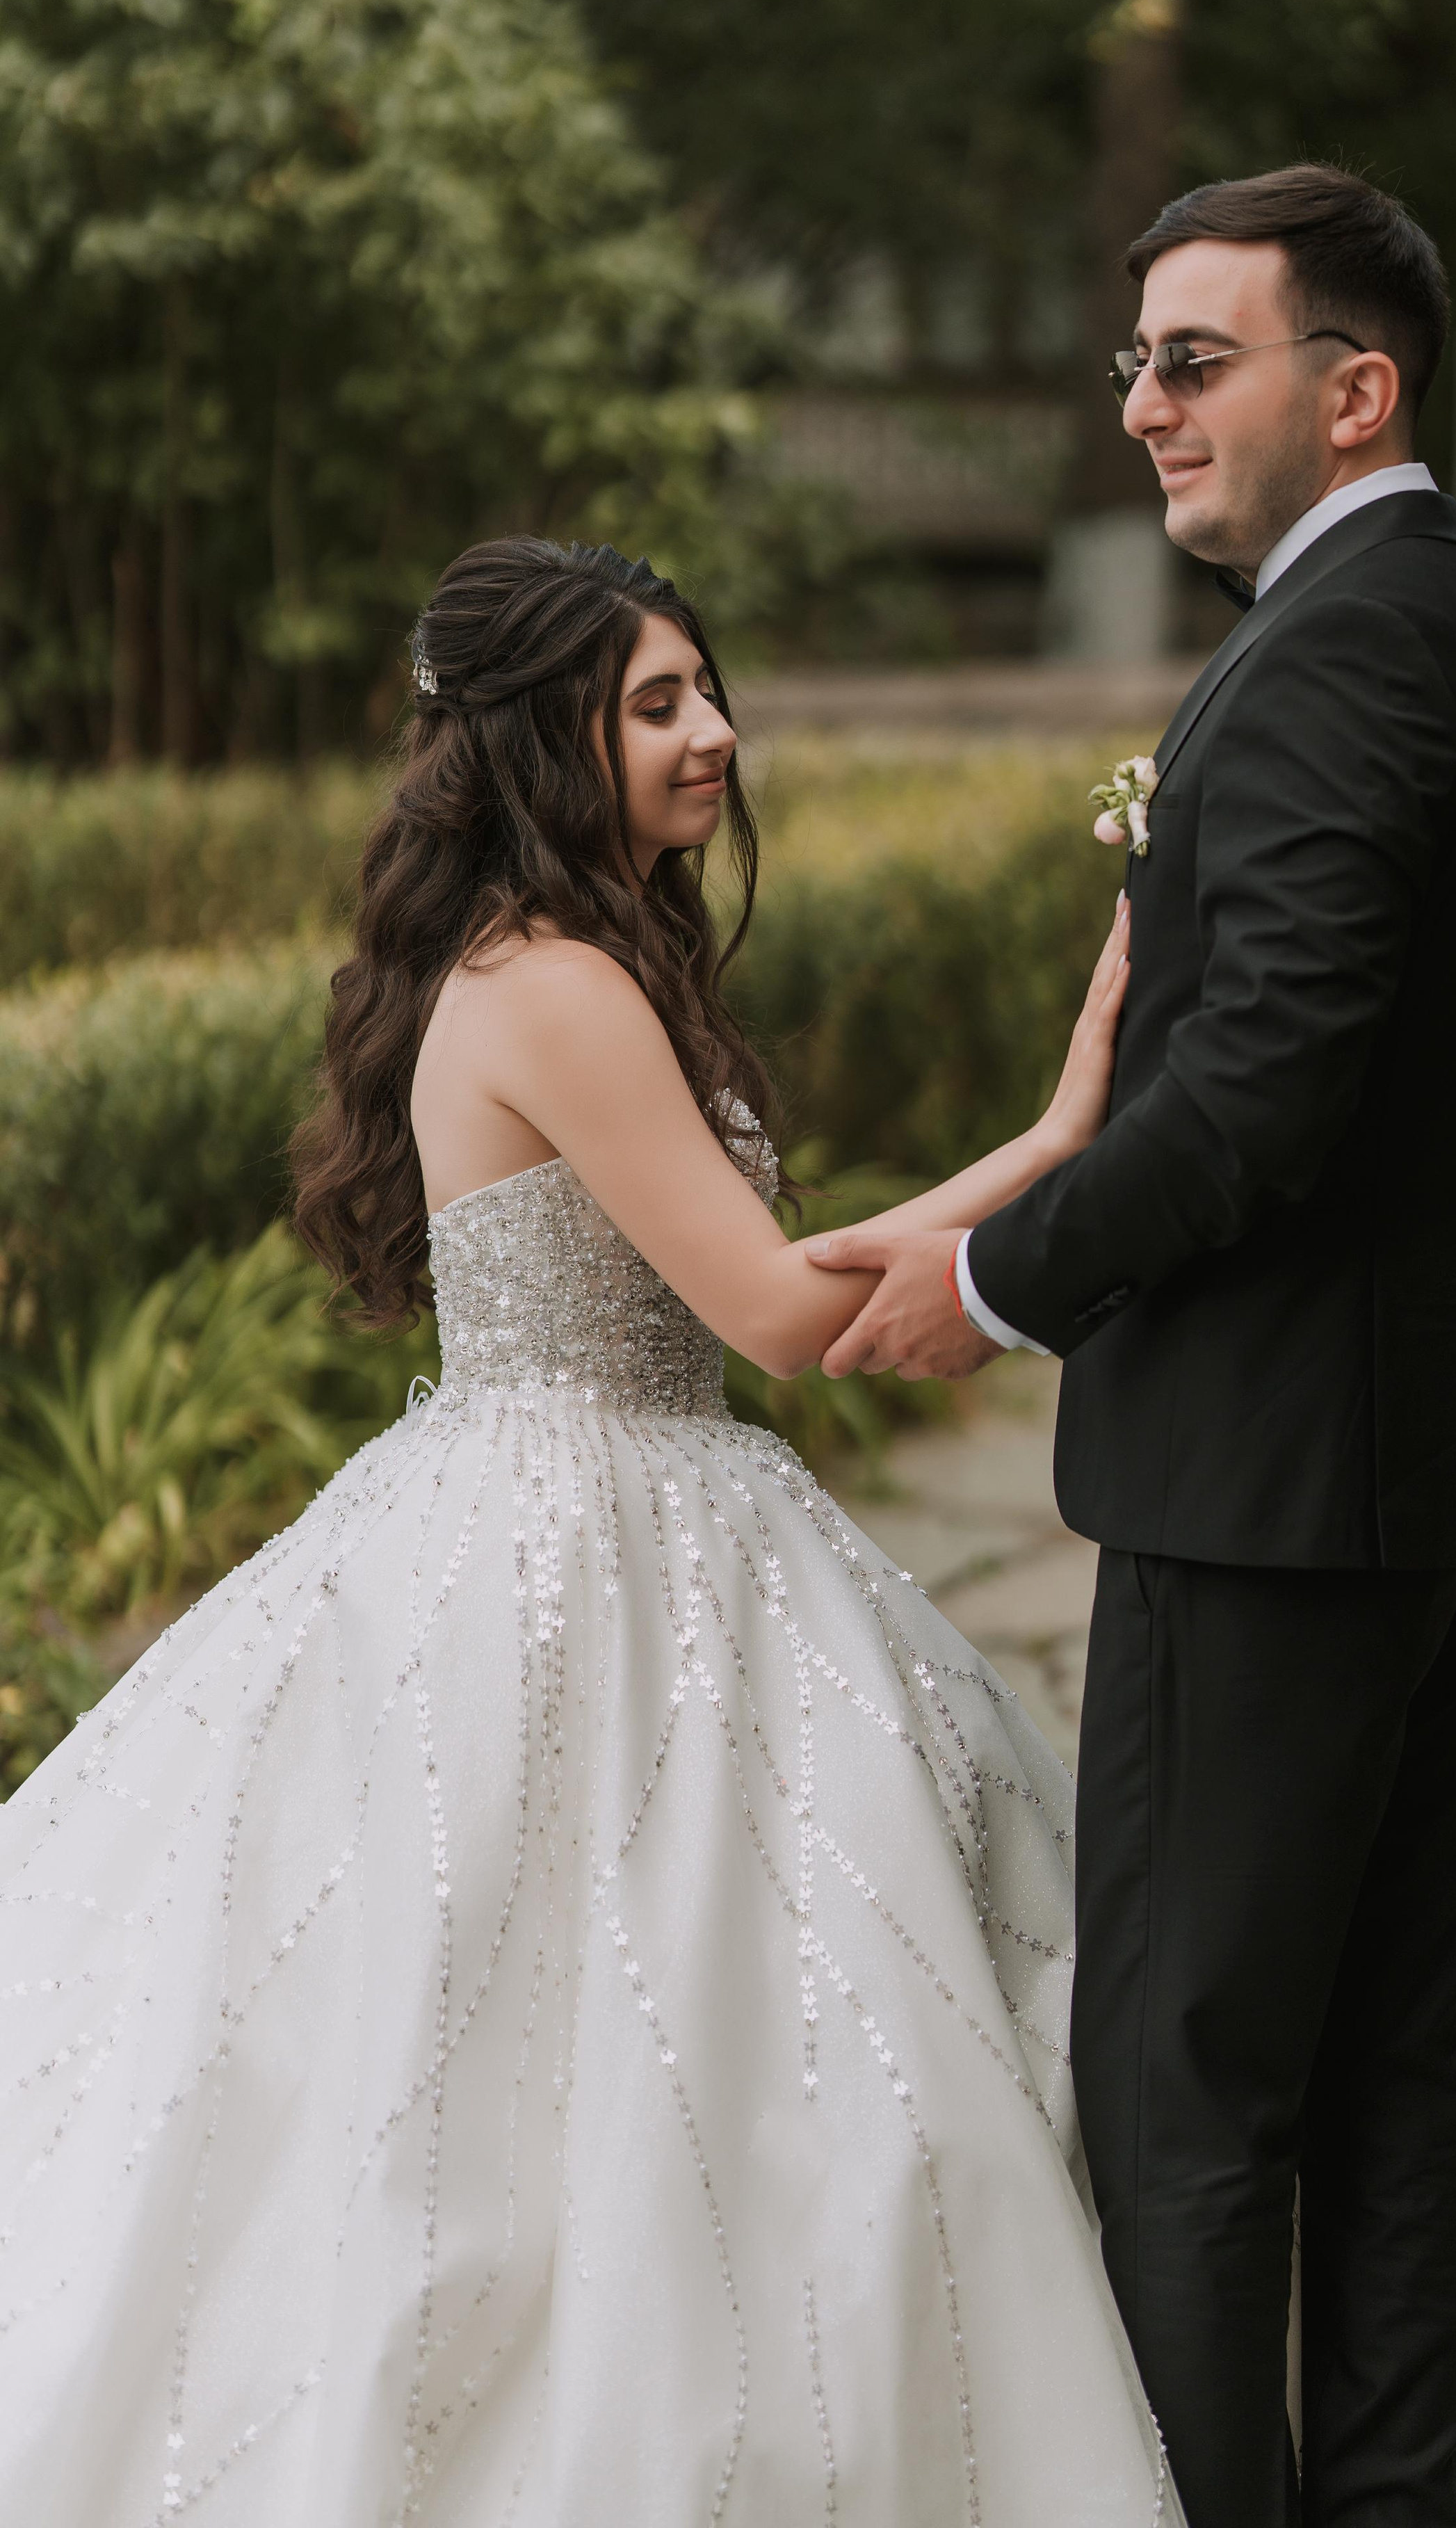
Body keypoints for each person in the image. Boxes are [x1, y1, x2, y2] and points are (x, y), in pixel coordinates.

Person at [0, 533, 1179, 2525]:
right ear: (546, 736)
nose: (715, 732)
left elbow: (766, 1269)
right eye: (657, 705)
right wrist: (1051, 1176)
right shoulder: (552, 990)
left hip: (590, 1491)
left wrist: (1053, 1151)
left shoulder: (584, 962)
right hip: (588, 1529)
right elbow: (787, 1318)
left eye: (709, 690)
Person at [809, 166, 1456, 2528]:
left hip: (1281, 1479)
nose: (1145, 408)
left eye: (1197, 359)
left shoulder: (1353, 646)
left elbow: (1270, 1080)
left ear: (1354, 386)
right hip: (1452, 1455)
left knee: (1191, 2080)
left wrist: (998, 1282)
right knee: (1389, 2049)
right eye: (1135, 364)